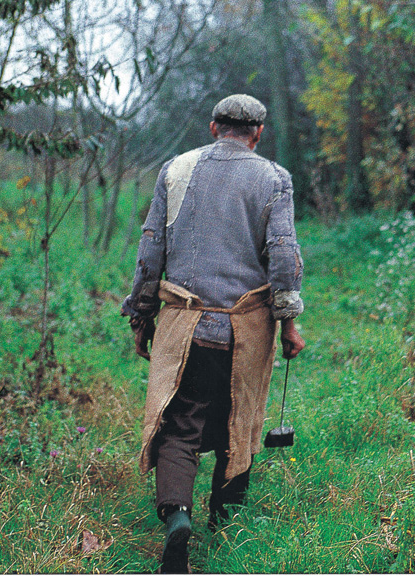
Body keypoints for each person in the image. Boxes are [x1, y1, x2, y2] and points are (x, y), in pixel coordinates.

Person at [120, 94, 305, 573]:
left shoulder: (175, 170)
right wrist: (289, 323)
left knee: (180, 423)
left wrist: (142, 314)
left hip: (187, 326)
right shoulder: (274, 179)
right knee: (237, 423)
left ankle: (178, 516)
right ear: (257, 133)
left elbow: (151, 249)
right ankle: (225, 525)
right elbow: (282, 256)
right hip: (247, 330)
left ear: (213, 126)